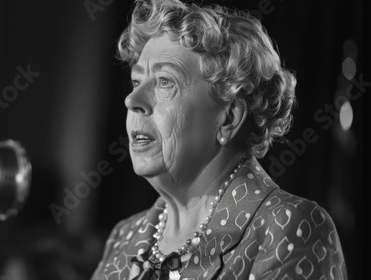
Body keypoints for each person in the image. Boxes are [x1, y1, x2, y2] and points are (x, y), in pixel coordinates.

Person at [91, 0, 347, 279]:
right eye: (137, 81)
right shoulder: (124, 237)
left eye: (165, 81)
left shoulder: (285, 227)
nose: (132, 100)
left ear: (227, 119)